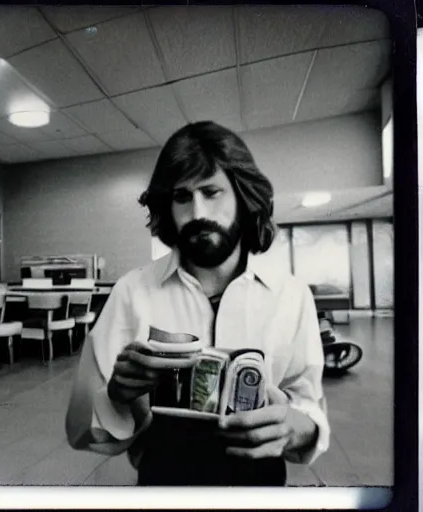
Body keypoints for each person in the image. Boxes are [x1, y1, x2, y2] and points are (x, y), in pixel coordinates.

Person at [65, 121, 330, 486]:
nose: (196, 212)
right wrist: (118, 397)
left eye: (211, 191)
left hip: (261, 490)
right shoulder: (131, 292)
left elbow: (309, 405)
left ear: (242, 195)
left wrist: (296, 427)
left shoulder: (291, 296)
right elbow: (80, 431)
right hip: (162, 487)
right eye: (182, 197)